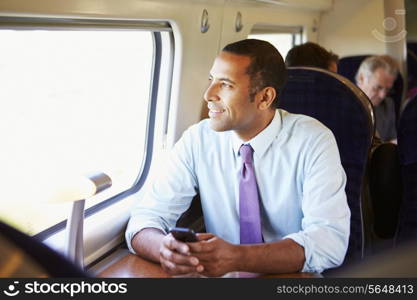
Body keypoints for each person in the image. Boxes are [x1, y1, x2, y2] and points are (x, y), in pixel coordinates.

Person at [125, 39, 350, 277]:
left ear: (265, 98)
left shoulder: (313, 140)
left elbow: (329, 241)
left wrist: (238, 257)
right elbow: (145, 218)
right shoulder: (197, 140)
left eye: (226, 85)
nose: (208, 94)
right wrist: (164, 249)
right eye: (212, 80)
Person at [355, 55, 399, 143]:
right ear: (361, 79)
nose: (383, 95)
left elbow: (391, 139)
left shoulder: (388, 104)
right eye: (378, 87)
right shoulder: (345, 105)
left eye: (387, 89)